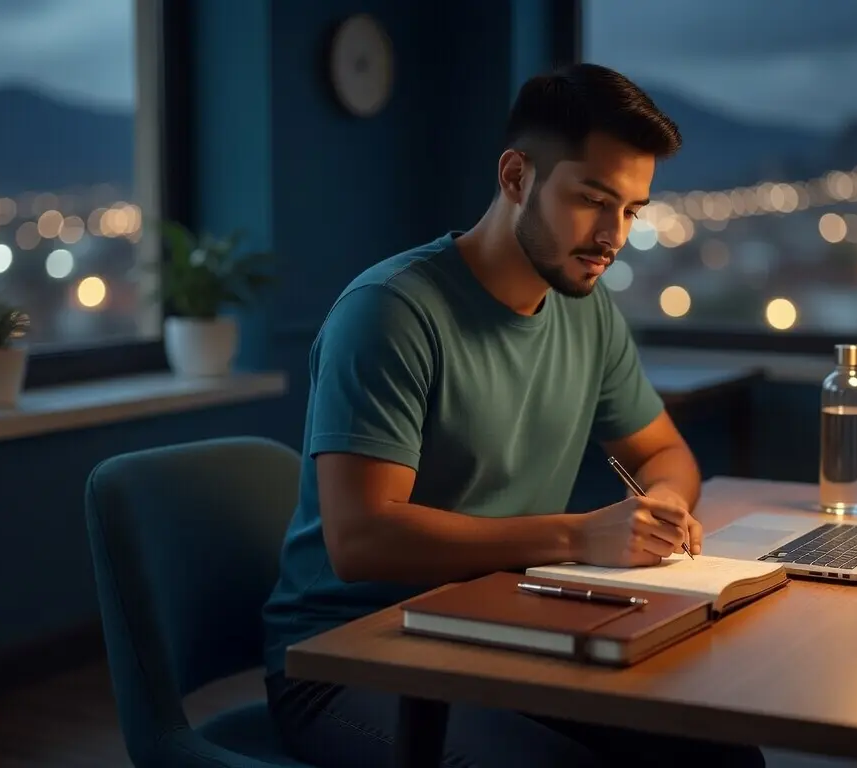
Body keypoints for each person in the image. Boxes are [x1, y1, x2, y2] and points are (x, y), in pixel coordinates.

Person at [260, 63, 766, 768]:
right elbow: (362, 540)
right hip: (352, 657)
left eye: (631, 210)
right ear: (516, 177)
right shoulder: (391, 313)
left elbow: (666, 454)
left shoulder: (586, 315)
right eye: (592, 199)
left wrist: (663, 509)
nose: (612, 236)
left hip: (499, 629)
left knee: (717, 755)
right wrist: (578, 537)